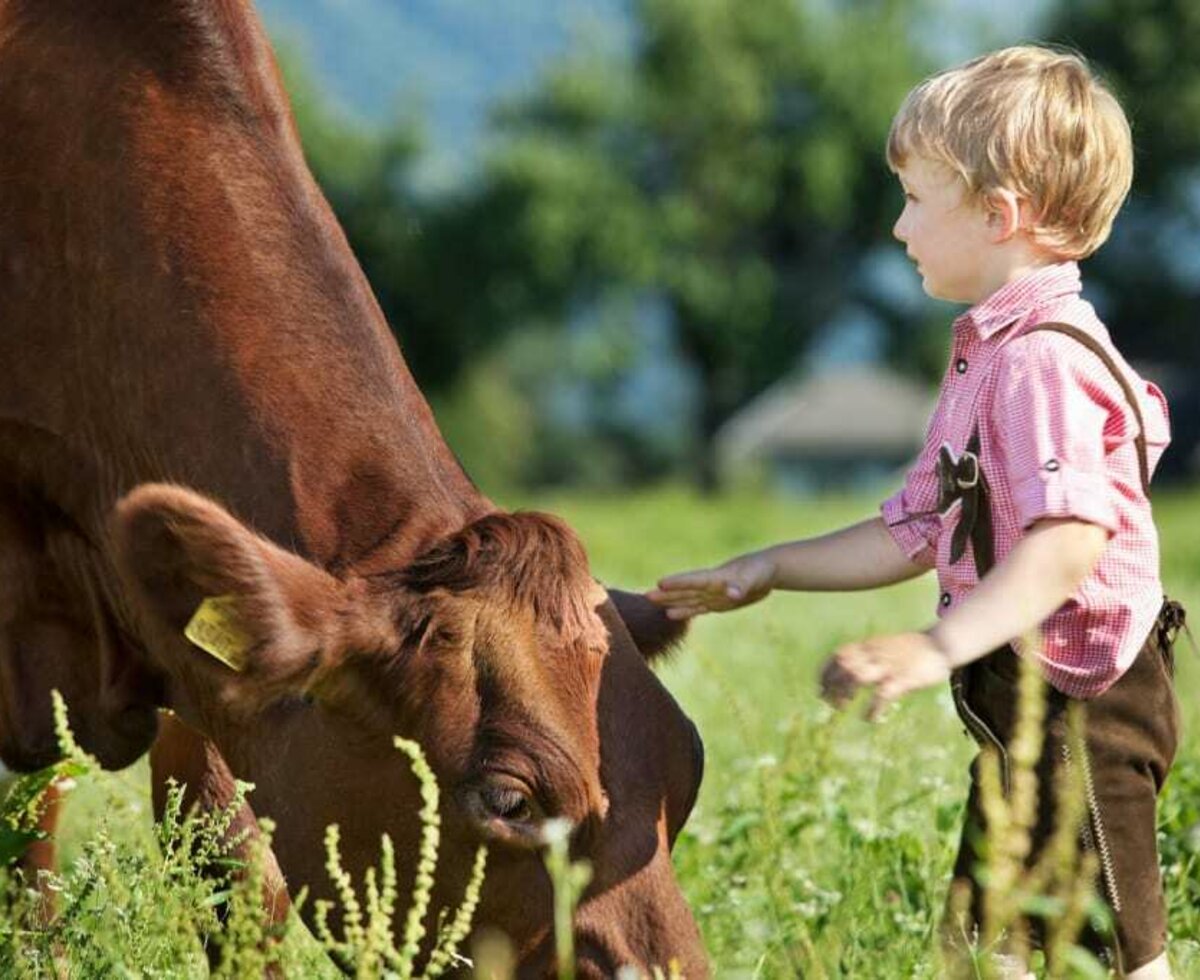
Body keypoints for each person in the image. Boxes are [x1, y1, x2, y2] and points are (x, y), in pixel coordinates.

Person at [648, 46, 1184, 979]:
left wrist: (935, 647)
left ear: (997, 212)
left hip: (1082, 711)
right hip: (1022, 702)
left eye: (915, 200)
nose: (899, 228)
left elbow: (1068, 541)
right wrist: (772, 567)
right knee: (987, 951)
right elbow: (921, 525)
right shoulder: (993, 352)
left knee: (1115, 957)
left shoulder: (1039, 362)